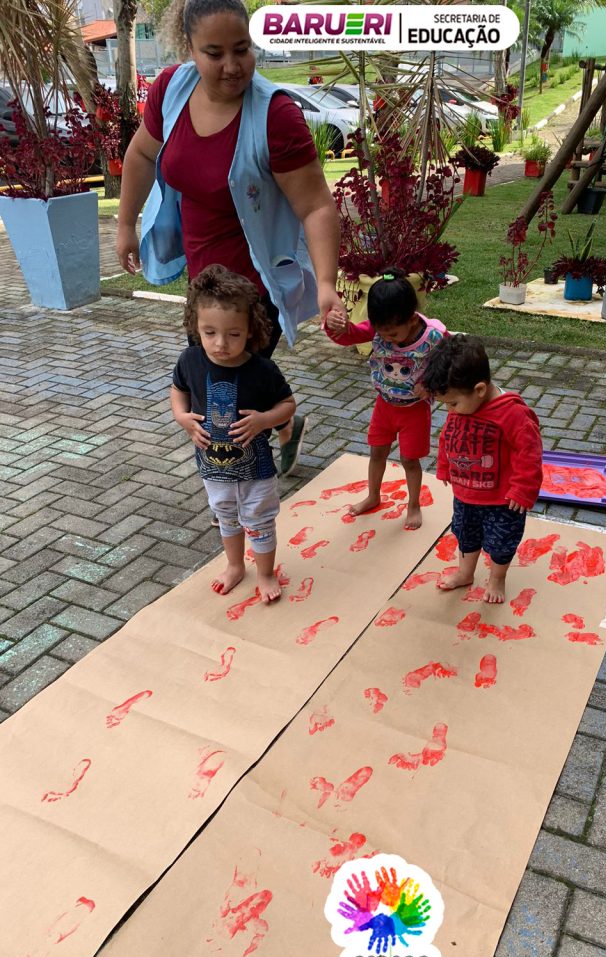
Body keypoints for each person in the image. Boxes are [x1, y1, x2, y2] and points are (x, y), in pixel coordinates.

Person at [116, 0, 346, 476]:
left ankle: (244, 493)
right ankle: (280, 429)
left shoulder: (275, 115)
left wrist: (326, 283)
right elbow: (141, 155)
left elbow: (316, 205)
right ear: (189, 49)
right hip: (203, 288)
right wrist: (125, 224)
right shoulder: (171, 90)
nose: (232, 66)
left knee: (230, 395)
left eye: (242, 49)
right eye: (214, 53)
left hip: (255, 289)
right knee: (218, 382)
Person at [171, 265, 296, 601]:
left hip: (256, 469)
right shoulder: (191, 360)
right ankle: (235, 565)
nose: (221, 344)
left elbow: (288, 405)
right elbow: (178, 389)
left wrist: (265, 419)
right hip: (213, 466)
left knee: (259, 519)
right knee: (226, 516)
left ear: (250, 330)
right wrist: (181, 417)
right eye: (209, 332)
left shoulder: (262, 370)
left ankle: (266, 573)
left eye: (234, 334)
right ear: (195, 325)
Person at [420, 334, 543, 604]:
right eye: (447, 404)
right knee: (465, 535)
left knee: (501, 542)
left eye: (453, 403)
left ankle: (497, 579)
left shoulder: (512, 414)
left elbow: (529, 454)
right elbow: (448, 435)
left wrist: (523, 489)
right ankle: (465, 573)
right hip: (466, 495)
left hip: (503, 501)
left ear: (479, 390)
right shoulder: (462, 405)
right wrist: (444, 465)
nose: (450, 410)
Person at [323, 269, 445, 530]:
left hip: (414, 410)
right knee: (377, 452)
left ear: (412, 319)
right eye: (382, 333)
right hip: (384, 406)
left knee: (409, 460)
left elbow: (451, 362)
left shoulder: (433, 337)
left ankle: (414, 505)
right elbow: (350, 335)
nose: (386, 338)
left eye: (393, 335)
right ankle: (373, 496)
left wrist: (431, 385)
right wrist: (335, 325)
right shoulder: (379, 327)